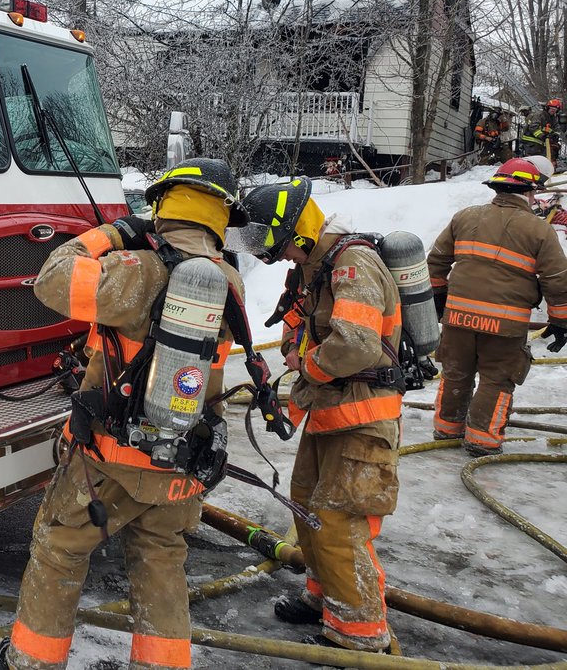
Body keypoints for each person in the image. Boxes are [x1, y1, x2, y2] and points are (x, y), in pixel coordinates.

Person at [0, 159, 248, 670]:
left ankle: (33, 660)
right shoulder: (226, 283)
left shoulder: (138, 272)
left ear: (163, 208)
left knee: (60, 546)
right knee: (162, 558)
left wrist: (111, 234)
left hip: (113, 459)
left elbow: (51, 278)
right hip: (184, 457)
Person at [230, 178, 401, 654]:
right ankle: (324, 597)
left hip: (362, 415)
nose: (276, 255)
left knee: (339, 519)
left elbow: (356, 343)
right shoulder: (312, 268)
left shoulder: (352, 265)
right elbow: (298, 323)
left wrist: (304, 364)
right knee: (306, 504)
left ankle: (360, 637)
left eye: (276, 243)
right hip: (328, 411)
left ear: (297, 232)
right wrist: (292, 347)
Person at [427, 157, 567, 456]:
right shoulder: (540, 230)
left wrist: (440, 300)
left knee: (456, 373)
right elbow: (557, 280)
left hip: (458, 319)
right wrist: (560, 322)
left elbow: (435, 263)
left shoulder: (464, 217)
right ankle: (482, 440)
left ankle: (446, 429)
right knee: (496, 379)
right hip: (504, 325)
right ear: (529, 192)